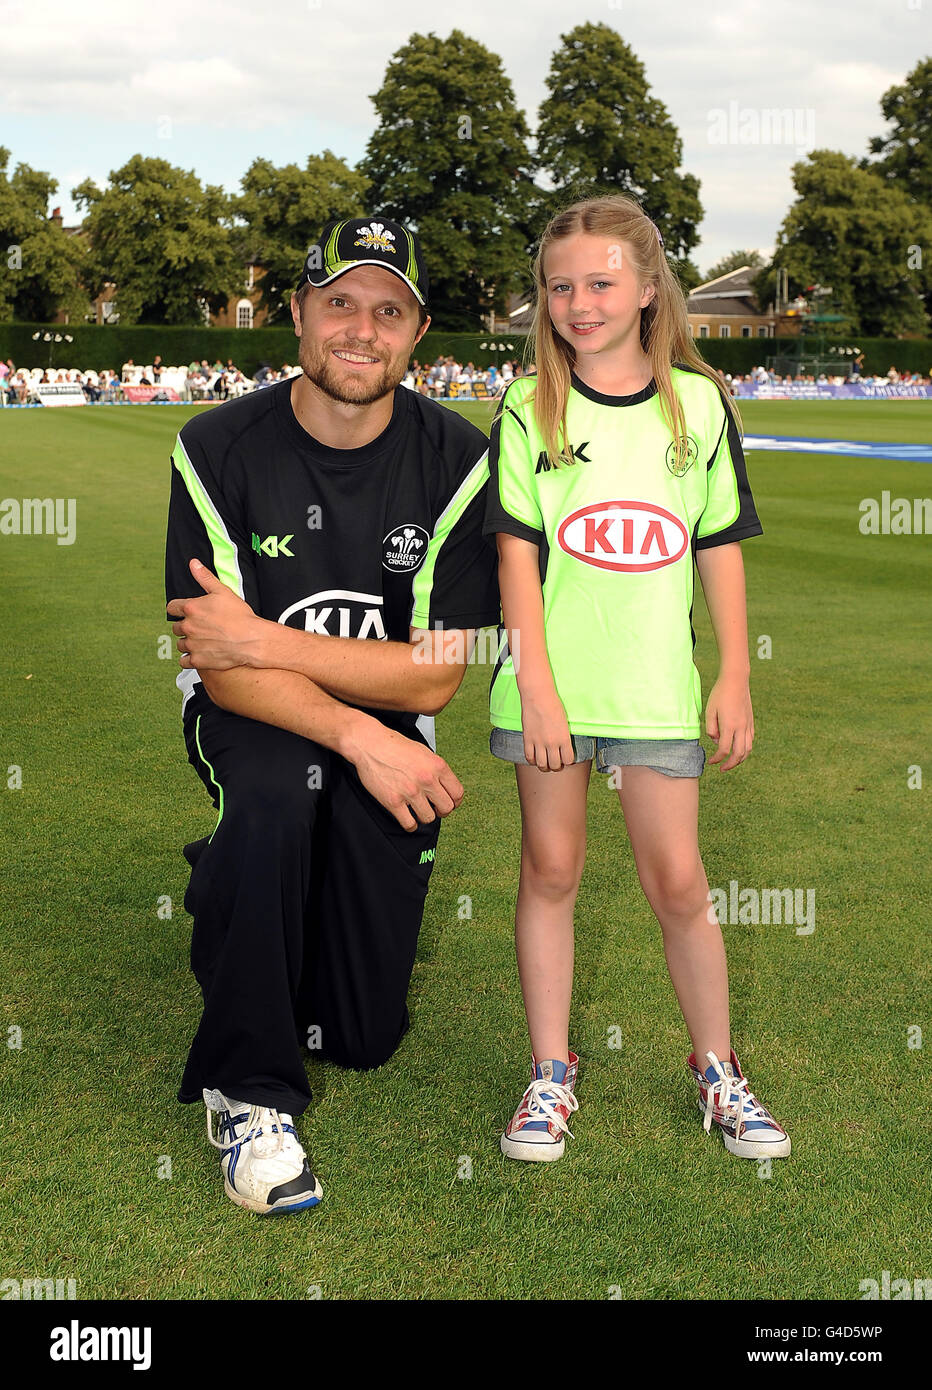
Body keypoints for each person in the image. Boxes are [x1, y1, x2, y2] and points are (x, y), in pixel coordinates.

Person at [164, 215, 500, 1215]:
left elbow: (435, 679)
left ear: (417, 332)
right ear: (300, 315)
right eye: (340, 304)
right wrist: (358, 734)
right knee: (272, 788)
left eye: (387, 311)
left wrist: (265, 638)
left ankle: (226, 888)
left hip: (378, 712)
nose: (362, 329)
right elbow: (220, 672)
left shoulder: (458, 459)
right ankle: (248, 1094)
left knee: (358, 1034)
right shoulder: (214, 444)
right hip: (252, 716)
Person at [482, 194, 790, 1166]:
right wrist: (533, 684)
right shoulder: (526, 405)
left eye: (601, 281)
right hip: (551, 690)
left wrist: (733, 671)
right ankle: (546, 1072)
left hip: (655, 688)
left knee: (678, 882)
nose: (578, 301)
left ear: (648, 289)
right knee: (550, 869)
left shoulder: (695, 405)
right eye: (559, 284)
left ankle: (717, 1070)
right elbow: (515, 555)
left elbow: (719, 546)